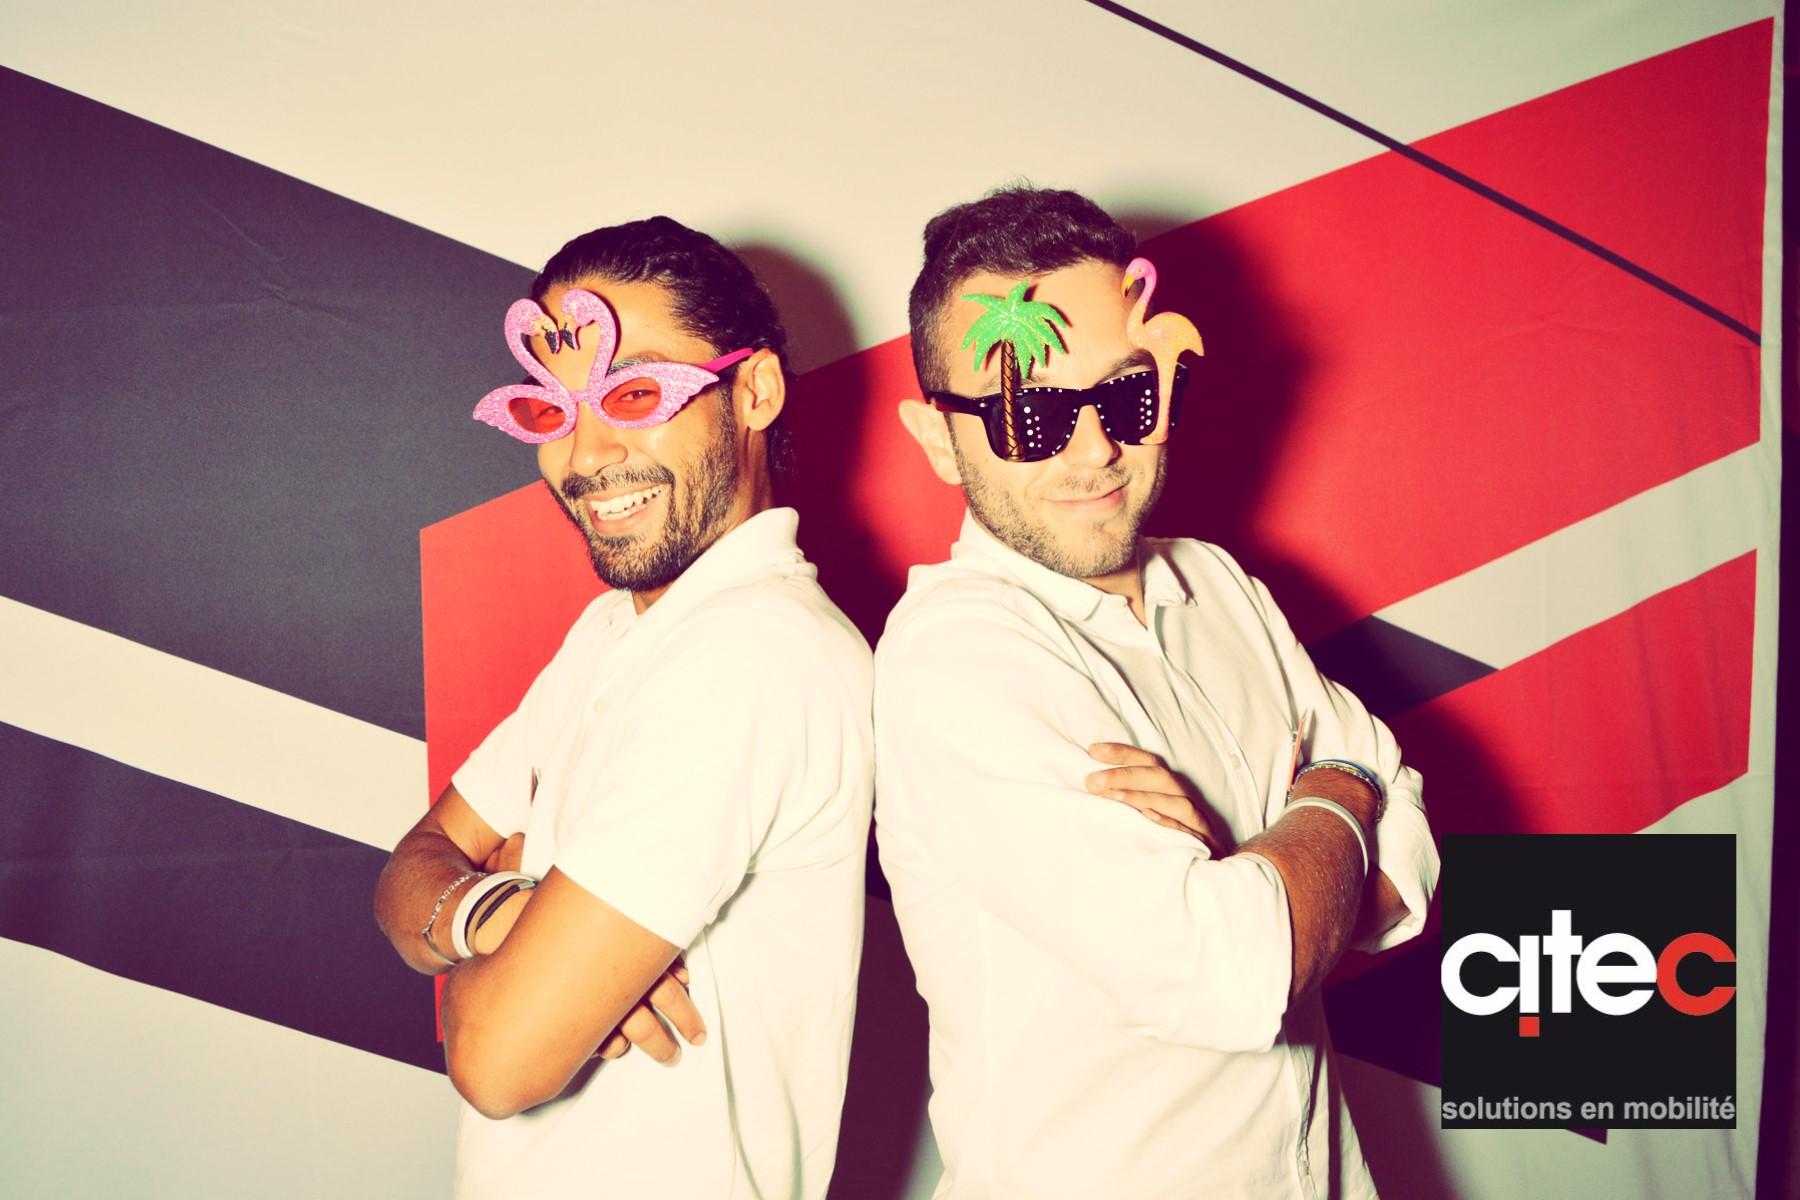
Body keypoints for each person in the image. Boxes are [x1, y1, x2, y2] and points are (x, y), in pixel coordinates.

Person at [874, 186, 1438, 1199]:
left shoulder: (1217, 584)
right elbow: (1243, 971)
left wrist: (1260, 866)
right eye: (1029, 414)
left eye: (1127, 397)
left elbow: (1408, 873)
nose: (1095, 449)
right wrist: (1339, 789)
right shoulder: (956, 660)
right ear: (936, 438)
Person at [374, 217, 873, 1199]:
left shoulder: (753, 651)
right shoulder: (614, 633)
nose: (585, 455)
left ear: (755, 391)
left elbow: (494, 1057)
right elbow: (407, 873)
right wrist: (498, 912)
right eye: (551, 412)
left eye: (635, 394)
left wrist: (492, 961)